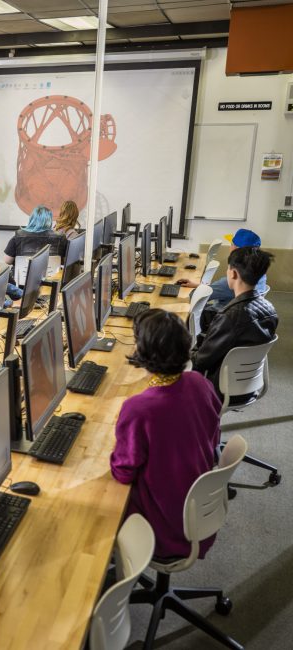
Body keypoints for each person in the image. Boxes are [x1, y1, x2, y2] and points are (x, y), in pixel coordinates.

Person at [111, 309, 222, 560]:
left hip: (164, 528)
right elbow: (213, 437)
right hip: (198, 511)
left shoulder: (139, 409)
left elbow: (123, 472)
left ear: (143, 352)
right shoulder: (200, 383)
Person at [192, 246, 278, 399]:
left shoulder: (230, 317)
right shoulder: (270, 309)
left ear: (233, 273)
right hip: (249, 385)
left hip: (219, 386)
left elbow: (201, 361)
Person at [177, 228, 268, 310]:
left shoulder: (235, 280)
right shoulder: (260, 273)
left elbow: (199, 296)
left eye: (231, 244)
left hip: (218, 318)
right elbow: (215, 289)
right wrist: (196, 285)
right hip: (238, 318)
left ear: (236, 249)